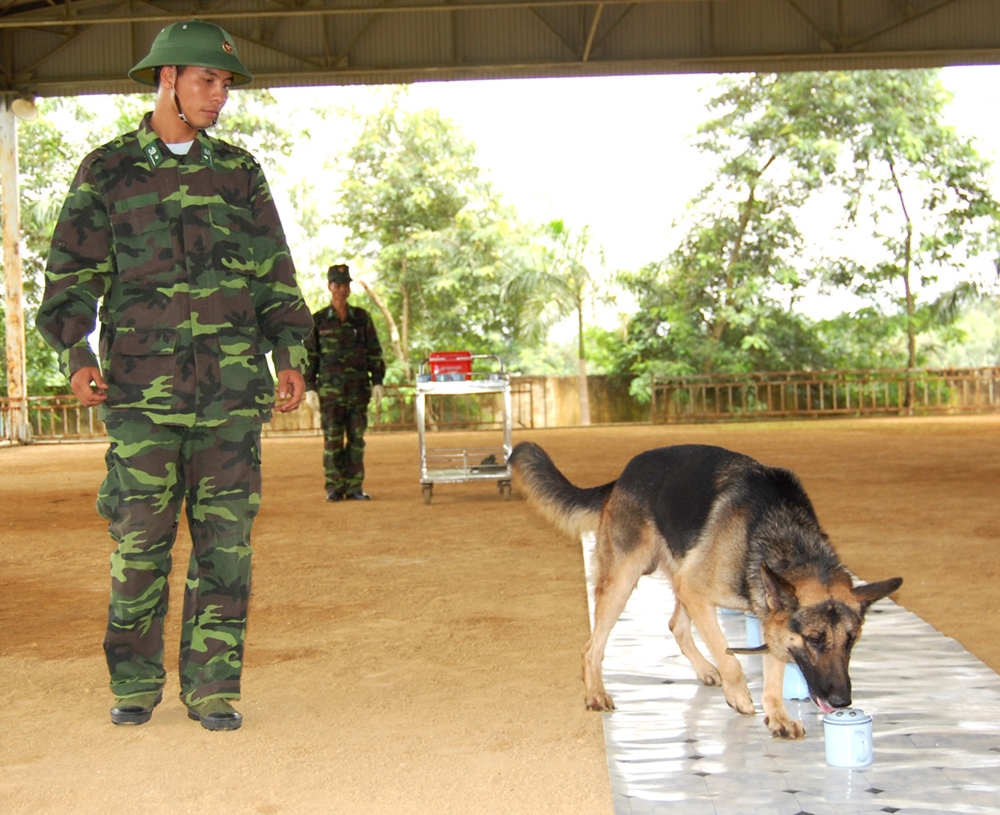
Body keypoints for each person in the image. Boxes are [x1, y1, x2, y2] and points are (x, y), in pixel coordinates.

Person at [35, 19, 314, 731]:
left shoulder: (240, 174)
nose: (220, 95)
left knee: (226, 550)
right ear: (168, 80)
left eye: (224, 84)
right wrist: (77, 356)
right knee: (139, 548)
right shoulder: (107, 171)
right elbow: (70, 275)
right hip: (141, 399)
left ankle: (214, 688)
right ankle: (133, 682)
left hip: (228, 401)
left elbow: (274, 274)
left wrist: (290, 356)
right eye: (207, 80)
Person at [305, 264, 386, 502]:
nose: (342, 290)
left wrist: (377, 381)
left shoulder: (361, 318)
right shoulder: (318, 321)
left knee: (357, 440)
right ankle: (334, 487)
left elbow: (374, 352)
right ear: (330, 287)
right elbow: (310, 357)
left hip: (358, 391)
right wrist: (310, 388)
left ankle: (354, 487)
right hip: (330, 393)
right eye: (338, 285)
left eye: (346, 285)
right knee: (332, 441)